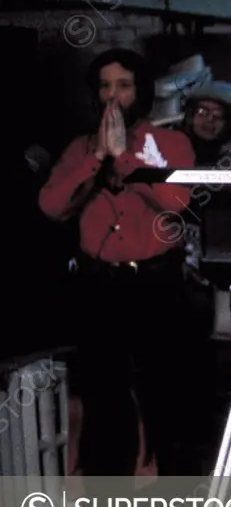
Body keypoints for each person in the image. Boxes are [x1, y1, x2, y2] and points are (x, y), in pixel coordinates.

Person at [38, 48, 202, 478]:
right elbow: (52, 206)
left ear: (141, 92)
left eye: (123, 86)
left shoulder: (170, 143)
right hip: (99, 290)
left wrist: (125, 160)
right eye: (105, 86)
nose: (113, 97)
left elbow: (178, 201)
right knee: (103, 406)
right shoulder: (79, 148)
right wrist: (98, 159)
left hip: (157, 287)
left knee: (169, 404)